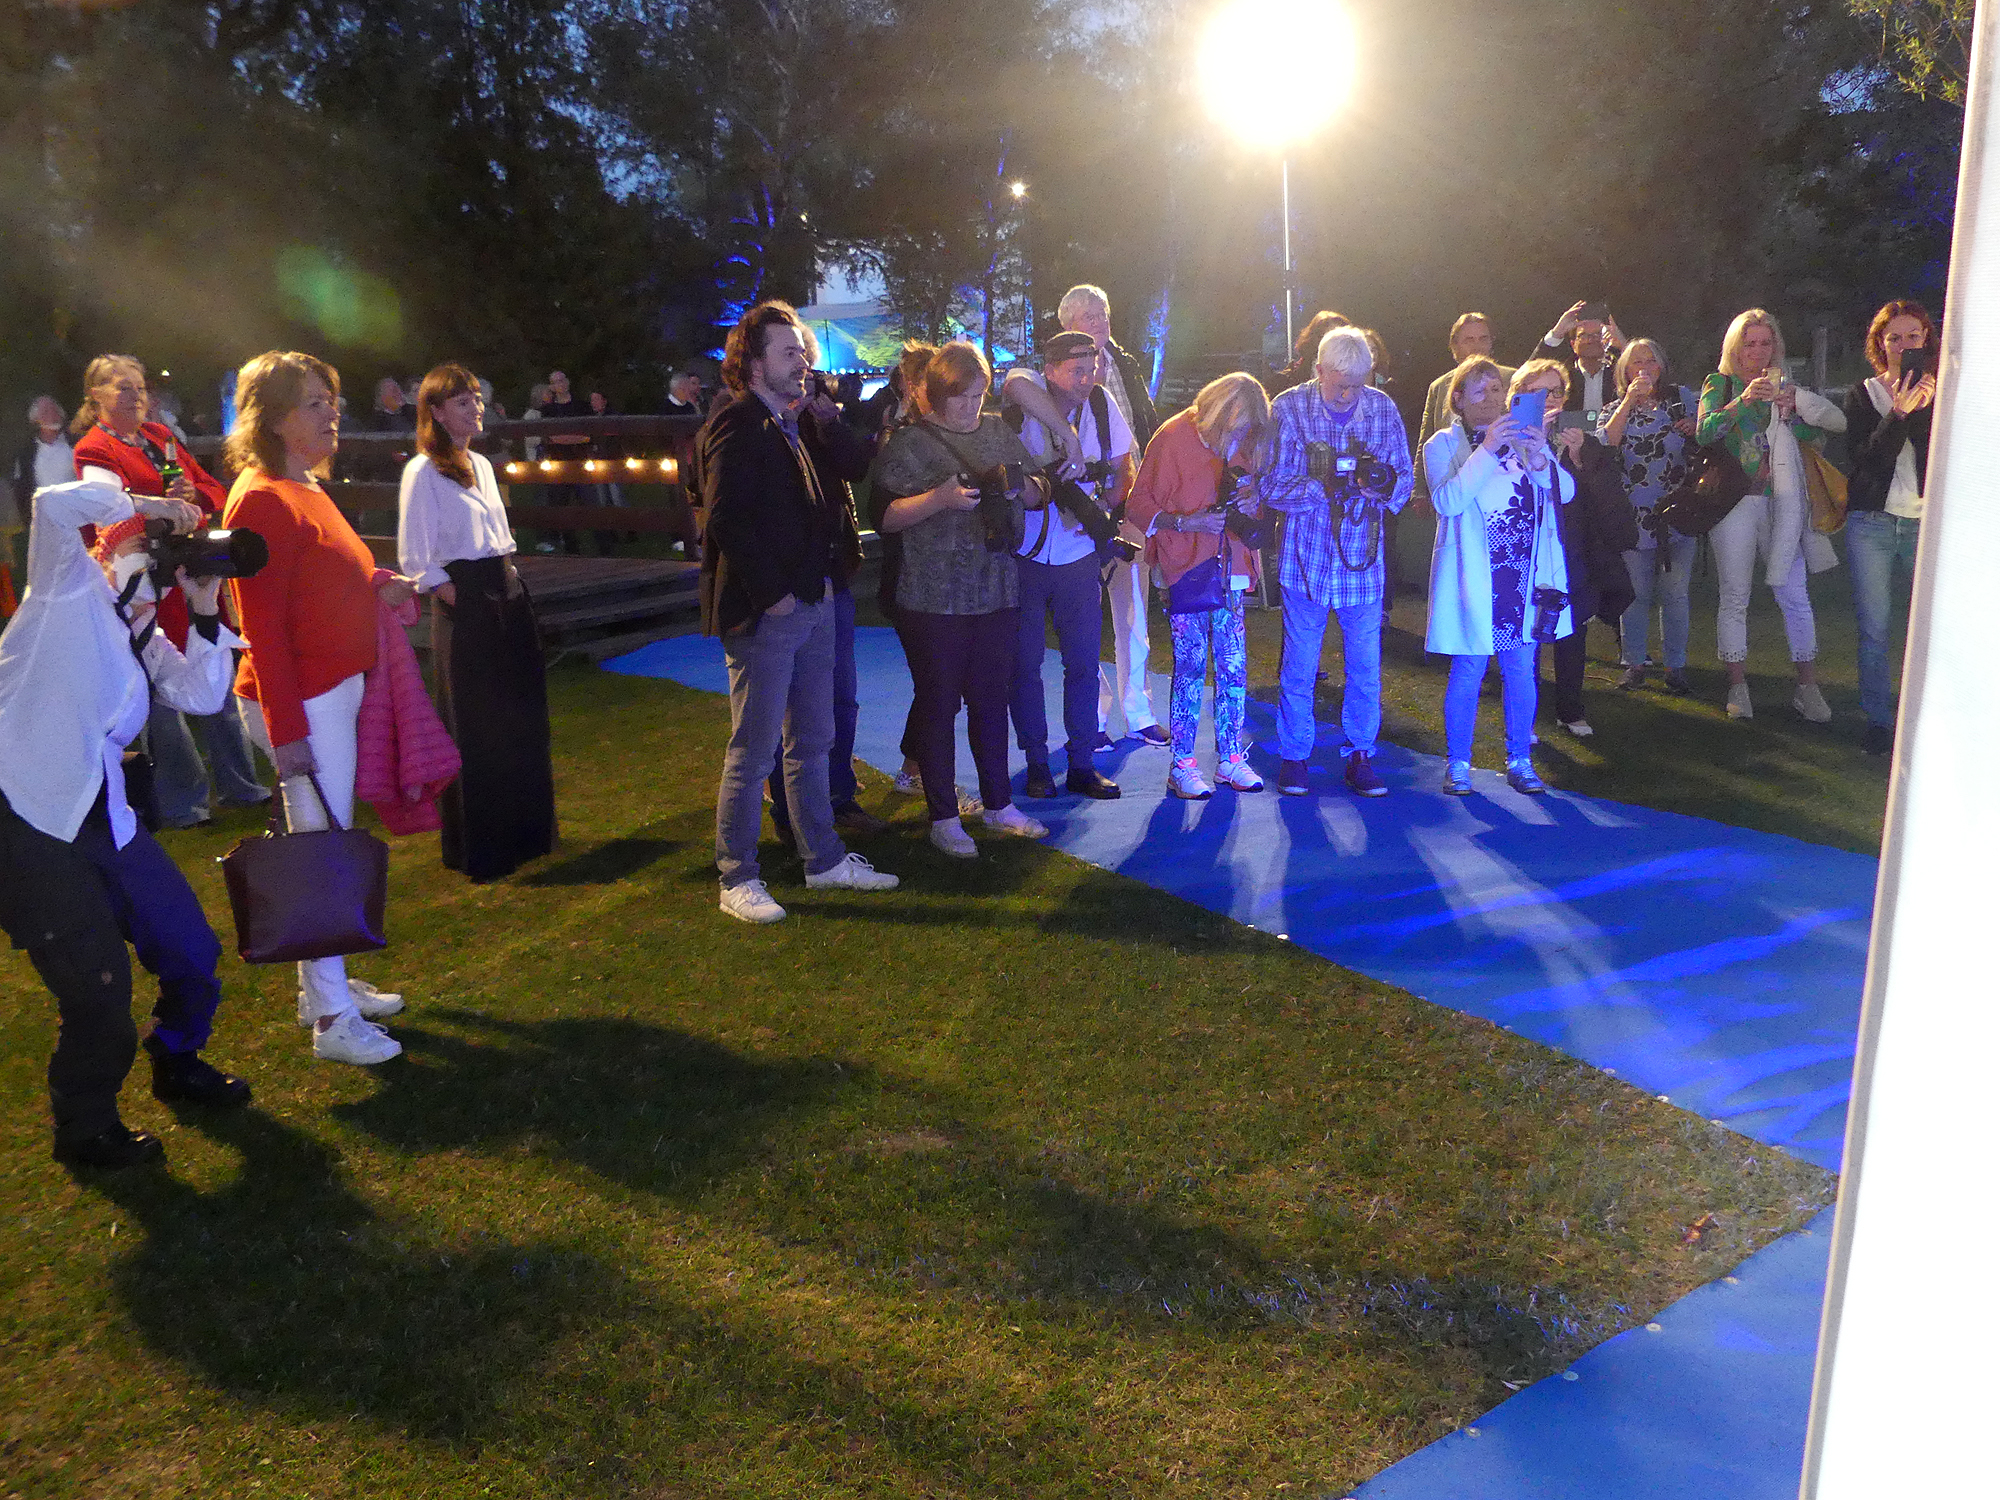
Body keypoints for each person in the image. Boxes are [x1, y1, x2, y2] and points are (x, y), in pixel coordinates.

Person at [0, 477, 253, 1168]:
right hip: (28, 819)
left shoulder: (142, 635)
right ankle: (85, 1129)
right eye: (144, 549)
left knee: (190, 948)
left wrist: (204, 610)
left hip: (104, 817)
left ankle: (177, 1059)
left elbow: (203, 695)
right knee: (99, 988)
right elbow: (55, 504)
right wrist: (148, 508)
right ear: (111, 556)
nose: (156, 562)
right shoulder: (65, 593)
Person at [222, 351, 419, 1064]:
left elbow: (328, 574)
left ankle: (324, 989)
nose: (332, 412)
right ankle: (333, 1021)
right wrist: (288, 735)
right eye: (314, 402)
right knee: (322, 852)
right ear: (274, 418)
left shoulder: (303, 485)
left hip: (329, 691)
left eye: (331, 399)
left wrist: (377, 582)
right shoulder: (261, 500)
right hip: (303, 700)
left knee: (322, 839)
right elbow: (263, 629)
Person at [699, 302, 900, 922]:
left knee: (812, 740)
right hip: (770, 613)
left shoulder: (790, 420)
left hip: (813, 600)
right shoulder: (738, 420)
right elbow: (724, 516)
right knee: (754, 749)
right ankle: (737, 876)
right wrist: (774, 595)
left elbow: (842, 477)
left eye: (803, 351)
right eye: (789, 352)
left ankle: (823, 859)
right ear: (754, 364)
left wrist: (816, 587)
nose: (804, 362)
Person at [869, 342, 1055, 858]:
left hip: (995, 589)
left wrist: (1021, 488)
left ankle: (999, 804)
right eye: (961, 397)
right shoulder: (909, 443)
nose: (971, 407)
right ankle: (944, 817)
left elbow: (1041, 487)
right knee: (938, 704)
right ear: (936, 393)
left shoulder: (996, 431)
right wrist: (940, 498)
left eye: (978, 395)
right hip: (932, 596)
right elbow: (883, 517)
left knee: (991, 701)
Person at [72, 354, 269, 827]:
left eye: (140, 387)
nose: (135, 396)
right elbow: (107, 512)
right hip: (144, 584)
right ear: (95, 396)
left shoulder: (160, 437)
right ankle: (186, 803)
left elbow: (211, 489)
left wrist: (192, 497)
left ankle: (241, 785)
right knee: (161, 694)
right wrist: (158, 510)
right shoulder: (93, 450)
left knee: (215, 671)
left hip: (191, 572)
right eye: (122, 387)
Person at [398, 363, 556, 881]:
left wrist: (510, 586)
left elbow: (497, 536)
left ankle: (527, 831)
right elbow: (417, 557)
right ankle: (484, 844)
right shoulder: (423, 472)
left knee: (520, 714)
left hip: (505, 589)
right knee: (477, 722)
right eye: (463, 402)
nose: (476, 409)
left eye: (477, 399)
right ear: (437, 412)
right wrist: (458, 599)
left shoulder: (482, 464)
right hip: (466, 599)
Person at [1261, 325, 1415, 797]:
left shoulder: (1382, 408)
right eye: (1339, 384)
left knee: (1365, 668)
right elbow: (1269, 484)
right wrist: (1321, 486)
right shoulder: (1288, 407)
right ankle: (1294, 756)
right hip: (1305, 560)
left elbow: (1404, 482)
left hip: (1362, 564)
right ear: (1318, 370)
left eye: (1357, 385)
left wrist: (1377, 486)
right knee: (1300, 666)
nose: (1348, 395)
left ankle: (1361, 753)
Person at [1424, 359, 1579, 796]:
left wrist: (1539, 455)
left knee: (1521, 669)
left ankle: (1520, 759)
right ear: (1457, 399)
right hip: (1477, 576)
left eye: (1497, 390)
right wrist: (1489, 448)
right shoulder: (1443, 444)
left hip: (1523, 575)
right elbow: (1448, 502)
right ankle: (1458, 763)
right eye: (1480, 391)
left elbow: (1565, 492)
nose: (1492, 398)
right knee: (1469, 668)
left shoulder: (1523, 439)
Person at [759, 356, 888, 843]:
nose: (803, 374)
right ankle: (789, 812)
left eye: (806, 364)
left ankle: (839, 796)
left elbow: (856, 466)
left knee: (841, 697)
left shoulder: (819, 419)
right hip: (787, 578)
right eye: (791, 358)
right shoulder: (755, 422)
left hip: (832, 571)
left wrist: (830, 423)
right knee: (787, 705)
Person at [1123, 374, 1272, 798]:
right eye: (1235, 428)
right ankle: (1183, 764)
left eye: (1246, 430)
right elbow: (1138, 505)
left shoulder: (1245, 443)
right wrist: (1186, 522)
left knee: (1233, 665)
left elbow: (1254, 502)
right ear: (1218, 412)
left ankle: (1231, 758)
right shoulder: (1173, 436)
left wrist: (1252, 500)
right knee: (1190, 665)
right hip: (1186, 567)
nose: (1239, 437)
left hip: (1231, 566)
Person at [999, 329, 1132, 800]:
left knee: (1084, 663)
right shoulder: (1025, 397)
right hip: (1027, 554)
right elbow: (1014, 382)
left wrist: (1104, 511)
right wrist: (1069, 439)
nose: (1086, 379)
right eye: (1076, 370)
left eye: (1091, 369)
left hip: (1078, 553)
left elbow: (1123, 466)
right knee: (1025, 665)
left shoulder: (1102, 405)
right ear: (1050, 369)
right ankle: (1037, 762)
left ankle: (1082, 762)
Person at [1695, 309, 1846, 721]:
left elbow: (1817, 439)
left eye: (1765, 343)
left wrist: (1792, 413)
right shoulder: (1720, 383)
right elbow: (1705, 431)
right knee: (1735, 595)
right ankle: (1737, 687)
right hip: (1734, 500)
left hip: (1784, 502)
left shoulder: (1787, 385)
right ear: (1735, 347)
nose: (1757, 352)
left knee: (1794, 593)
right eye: (1749, 344)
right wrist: (1743, 401)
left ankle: (1808, 687)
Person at [1050, 284, 1165, 748]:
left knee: (1133, 615)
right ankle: (1093, 717)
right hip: (1071, 519)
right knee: (1082, 622)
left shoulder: (1124, 367)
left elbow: (1138, 439)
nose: (1101, 322)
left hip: (1126, 505)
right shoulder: (1045, 385)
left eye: (1104, 313)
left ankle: (1138, 713)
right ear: (1067, 326)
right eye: (1090, 316)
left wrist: (1128, 500)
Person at [1844, 300, 1937, 756]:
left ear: (1926, 339)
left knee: (1932, 625)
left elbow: (1942, 456)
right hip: (1873, 524)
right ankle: (1879, 720)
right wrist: (1898, 413)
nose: (1903, 346)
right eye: (1894, 338)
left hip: (1927, 523)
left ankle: (1931, 715)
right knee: (1875, 629)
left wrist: (1927, 407)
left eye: (1912, 337)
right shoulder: (1862, 395)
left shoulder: (1943, 392)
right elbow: (1867, 461)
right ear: (1880, 344)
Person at [1599, 339, 1701, 694]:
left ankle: (1676, 665)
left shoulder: (1681, 399)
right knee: (1635, 595)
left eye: (1651, 361)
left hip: (1678, 512)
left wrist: (1694, 427)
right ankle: (1634, 662)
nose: (1644, 368)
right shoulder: (1614, 408)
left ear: (1662, 366)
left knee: (1675, 594)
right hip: (1633, 515)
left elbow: (1706, 435)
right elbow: (1605, 443)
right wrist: (1629, 402)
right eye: (1635, 362)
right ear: (1624, 371)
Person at [1418, 314, 1514, 454]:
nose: (1477, 346)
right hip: (1451, 464)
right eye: (1469, 340)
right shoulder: (1439, 386)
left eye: (1483, 339)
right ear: (1454, 346)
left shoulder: (1512, 378)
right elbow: (1425, 442)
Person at [1524, 300, 1627, 427]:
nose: (1590, 340)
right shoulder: (1562, 376)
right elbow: (1527, 377)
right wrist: (1557, 333)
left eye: (1597, 335)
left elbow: (1644, 375)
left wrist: (1624, 346)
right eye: (1583, 336)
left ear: (1608, 340)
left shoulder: (1620, 373)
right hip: (1566, 436)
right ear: (1573, 345)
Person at [8, 396, 73, 587]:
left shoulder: (75, 444)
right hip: (45, 524)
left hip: (77, 518)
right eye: (45, 412)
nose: (52, 415)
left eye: (55, 410)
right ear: (35, 419)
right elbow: (21, 492)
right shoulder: (27, 453)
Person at [1267, 310, 1355, 395]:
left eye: (1342, 340)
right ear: (1314, 339)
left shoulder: (1356, 379)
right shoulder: (1284, 382)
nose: (1337, 346)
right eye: (1330, 339)